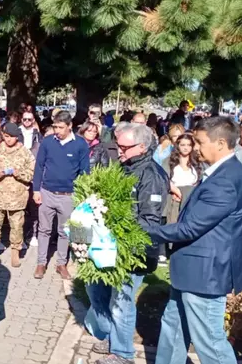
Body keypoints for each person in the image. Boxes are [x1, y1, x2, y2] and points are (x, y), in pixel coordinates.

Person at [146, 116, 242, 364]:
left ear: (221, 143)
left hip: (206, 273)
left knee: (209, 342)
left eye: (201, 142)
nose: (195, 147)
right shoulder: (220, 172)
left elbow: (191, 228)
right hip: (193, 269)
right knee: (173, 326)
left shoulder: (226, 180)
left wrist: (147, 231)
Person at [86, 122, 168, 364]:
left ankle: (122, 353)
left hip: (133, 251)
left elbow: (149, 220)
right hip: (109, 246)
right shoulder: (125, 167)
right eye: (117, 146)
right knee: (95, 288)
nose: (118, 151)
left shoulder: (151, 175)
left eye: (123, 147)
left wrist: (118, 226)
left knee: (120, 301)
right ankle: (110, 335)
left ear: (142, 147)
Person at [32, 111, 89, 280]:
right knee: (44, 230)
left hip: (68, 195)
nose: (57, 130)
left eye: (60, 127)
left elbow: (84, 171)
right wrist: (36, 190)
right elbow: (39, 166)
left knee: (64, 231)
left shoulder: (80, 144)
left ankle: (61, 263)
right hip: (47, 192)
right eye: (55, 127)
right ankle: (41, 263)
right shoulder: (48, 142)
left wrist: (82, 194)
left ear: (70, 126)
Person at [0, 123, 35, 267]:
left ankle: (15, 251)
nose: (9, 139)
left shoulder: (25, 153)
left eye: (11, 137)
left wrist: (18, 173)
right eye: (6, 136)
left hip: (17, 197)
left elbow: (31, 173)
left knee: (17, 226)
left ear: (17, 137)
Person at [161, 134, 202, 225]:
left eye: (189, 145)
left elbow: (202, 180)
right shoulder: (168, 161)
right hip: (174, 199)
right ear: (177, 146)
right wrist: (178, 193)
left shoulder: (198, 162)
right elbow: (164, 179)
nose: (186, 148)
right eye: (183, 145)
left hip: (193, 199)